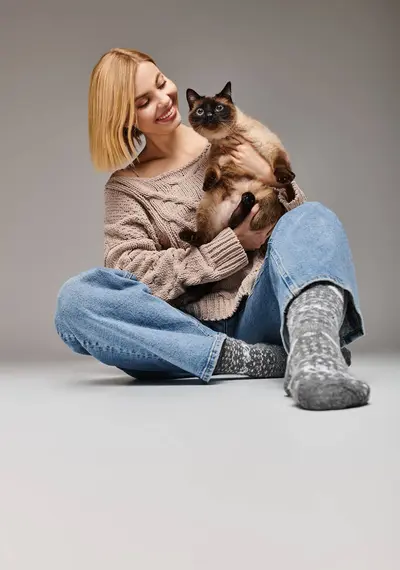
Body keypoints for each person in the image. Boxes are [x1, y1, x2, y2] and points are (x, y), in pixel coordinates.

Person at [54, 48, 370, 411]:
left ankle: (316, 354)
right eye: (144, 101)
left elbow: (304, 236)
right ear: (125, 118)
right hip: (185, 333)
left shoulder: (230, 137)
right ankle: (250, 360)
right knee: (76, 301)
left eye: (161, 83)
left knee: (314, 215)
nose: (164, 100)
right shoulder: (127, 188)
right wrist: (229, 246)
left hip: (259, 305)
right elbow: (132, 276)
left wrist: (270, 177)